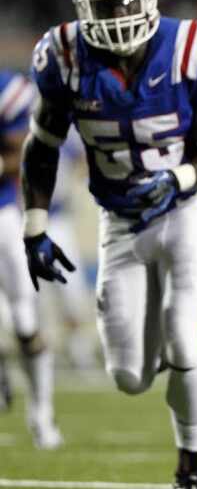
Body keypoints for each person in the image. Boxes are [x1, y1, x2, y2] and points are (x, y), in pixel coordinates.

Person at [22, 0, 197, 488]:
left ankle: (192, 466)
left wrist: (179, 177)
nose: (116, 17)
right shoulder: (64, 57)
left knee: (183, 342)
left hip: (185, 209)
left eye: (124, 3)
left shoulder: (189, 47)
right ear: (82, 8)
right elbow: (42, 146)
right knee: (129, 377)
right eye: (104, 6)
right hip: (119, 222)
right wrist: (36, 225)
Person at [0, 70, 62, 449]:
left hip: (4, 218)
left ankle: (41, 413)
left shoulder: (8, 91)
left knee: (25, 321)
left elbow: (21, 152)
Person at [40, 128, 98, 369]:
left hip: (57, 218)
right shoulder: (16, 126)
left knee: (71, 290)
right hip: (21, 219)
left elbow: (82, 160)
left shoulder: (62, 128)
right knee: (30, 295)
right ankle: (41, 355)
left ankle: (79, 351)